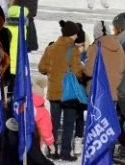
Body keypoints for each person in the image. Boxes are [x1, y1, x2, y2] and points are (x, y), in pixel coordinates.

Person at [38, 20, 82, 162]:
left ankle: (52, 150)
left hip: (54, 92)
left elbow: (42, 68)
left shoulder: (51, 48)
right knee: (69, 124)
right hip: (69, 94)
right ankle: (65, 153)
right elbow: (77, 71)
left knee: (54, 123)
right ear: (72, 34)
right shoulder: (73, 50)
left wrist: (53, 72)